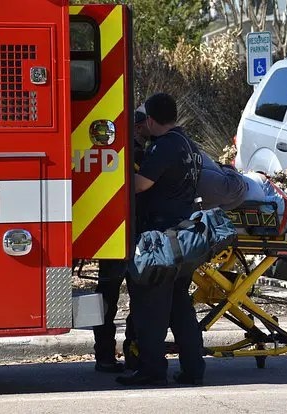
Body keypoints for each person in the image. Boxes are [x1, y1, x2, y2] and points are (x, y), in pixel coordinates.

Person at [116, 93, 206, 386]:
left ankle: (152, 371)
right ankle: (193, 369)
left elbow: (141, 185)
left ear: (152, 120)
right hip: (183, 238)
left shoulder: (164, 146)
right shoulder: (187, 144)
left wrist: (116, 173)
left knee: (150, 309)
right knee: (180, 307)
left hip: (160, 241)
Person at [93, 105, 151, 373]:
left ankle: (104, 355)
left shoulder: (113, 155)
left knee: (107, 299)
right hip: (136, 235)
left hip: (112, 236)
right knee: (139, 298)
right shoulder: (142, 156)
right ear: (138, 127)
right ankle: (133, 353)